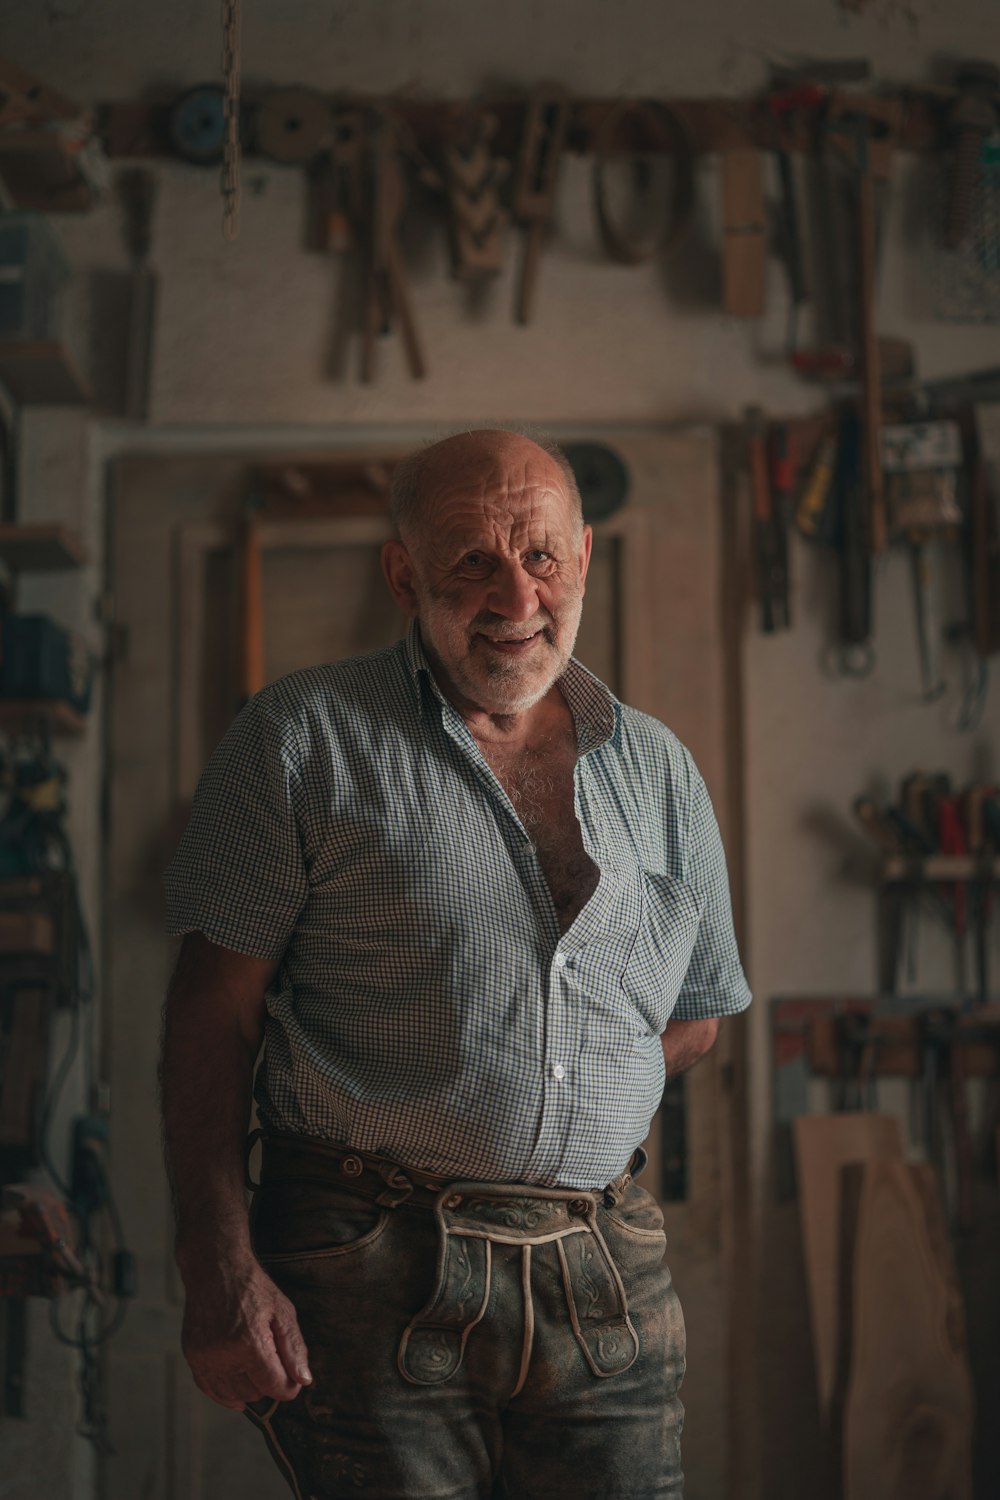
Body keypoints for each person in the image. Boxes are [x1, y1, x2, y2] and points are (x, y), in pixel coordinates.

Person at [160, 428, 751, 1500]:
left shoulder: (658, 768)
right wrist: (216, 1265)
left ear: (582, 557)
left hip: (603, 1277)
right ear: (403, 574)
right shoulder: (302, 736)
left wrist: (556, 1096)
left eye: (539, 557)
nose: (514, 595)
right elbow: (211, 1016)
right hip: (368, 1262)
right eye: (471, 558)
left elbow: (697, 1015)